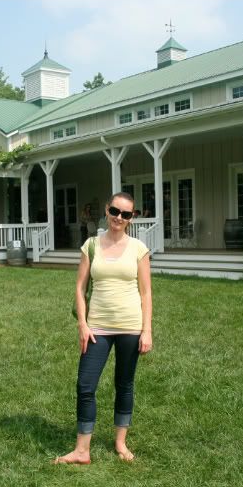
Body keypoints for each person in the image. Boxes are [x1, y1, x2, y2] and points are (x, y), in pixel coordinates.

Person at [54, 192, 153, 465]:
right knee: (85, 385)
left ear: (131, 218)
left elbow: (146, 293)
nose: (119, 218)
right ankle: (82, 450)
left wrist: (147, 330)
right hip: (97, 326)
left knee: (124, 384)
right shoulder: (91, 245)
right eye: (115, 211)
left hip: (130, 326)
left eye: (126, 214)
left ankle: (120, 442)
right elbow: (79, 287)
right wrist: (82, 325)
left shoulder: (138, 249)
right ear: (106, 210)